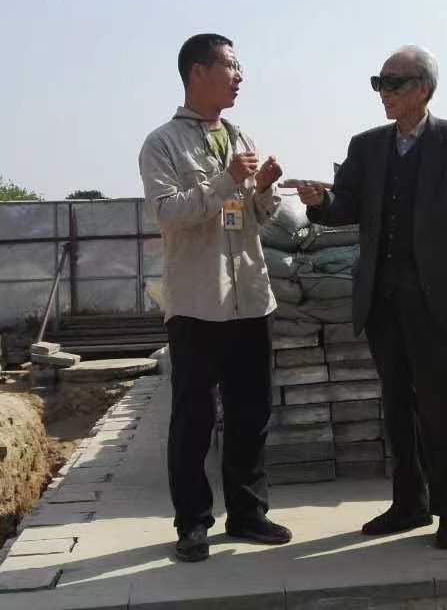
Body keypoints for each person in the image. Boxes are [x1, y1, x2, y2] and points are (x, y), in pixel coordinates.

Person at [288, 45, 447, 549]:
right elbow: (347, 206)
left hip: (434, 300)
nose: (383, 93)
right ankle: (410, 504)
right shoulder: (367, 147)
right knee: (397, 404)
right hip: (383, 299)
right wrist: (322, 202)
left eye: (393, 83)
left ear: (423, 89)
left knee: (439, 405)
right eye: (378, 83)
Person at [138, 33, 291, 562]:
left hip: (250, 296)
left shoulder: (239, 135)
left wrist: (264, 188)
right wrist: (226, 180)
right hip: (197, 302)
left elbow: (256, 216)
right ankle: (193, 523)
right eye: (230, 65)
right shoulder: (161, 144)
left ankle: (248, 513)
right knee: (194, 419)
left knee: (251, 412)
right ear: (197, 72)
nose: (239, 76)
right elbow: (169, 212)